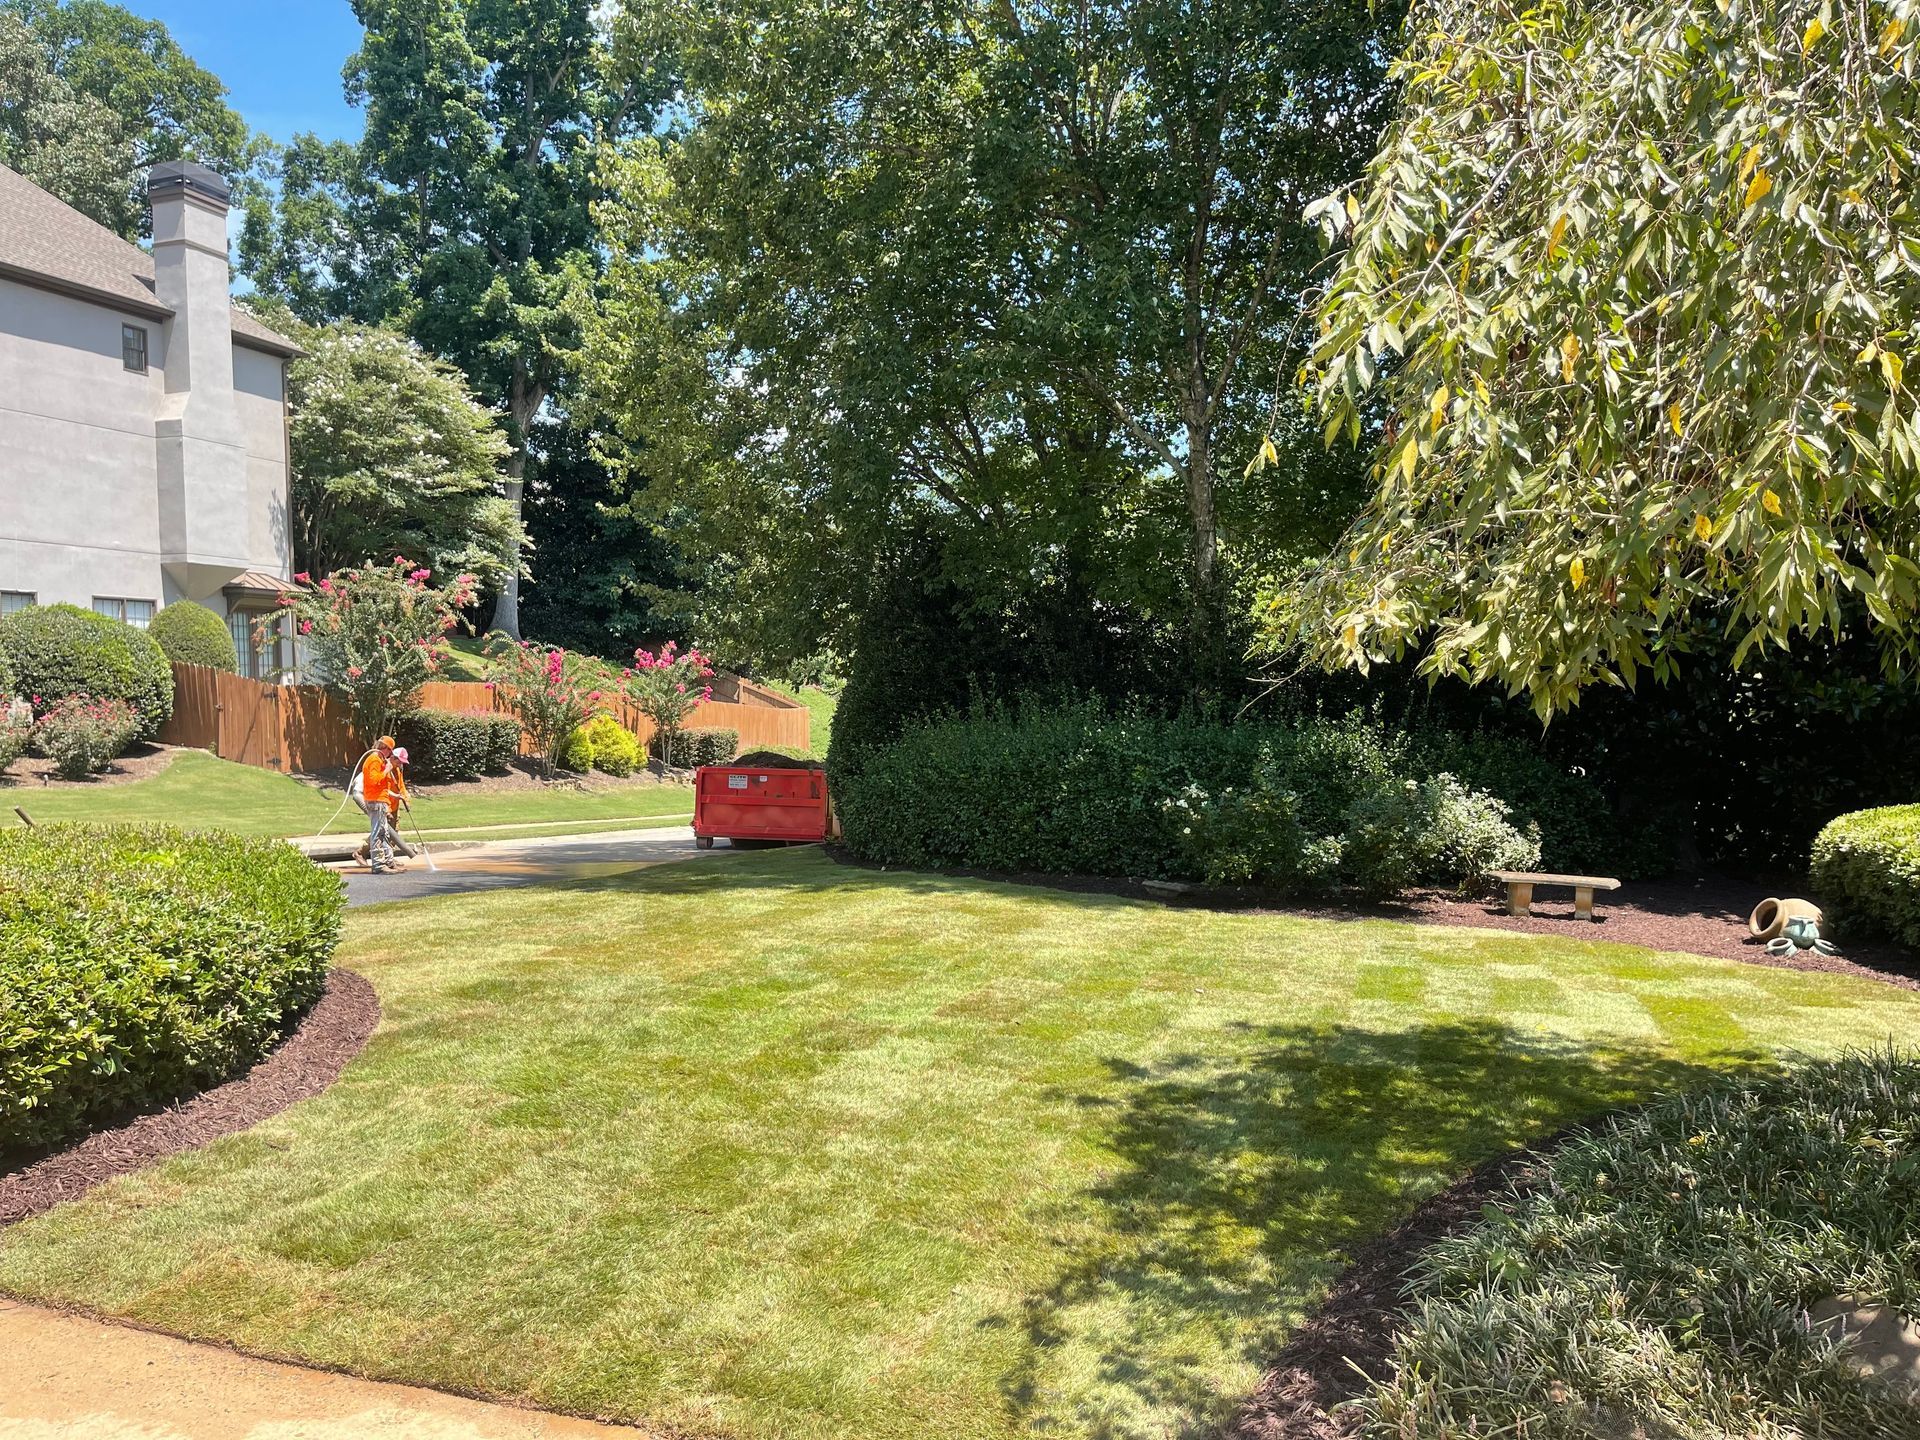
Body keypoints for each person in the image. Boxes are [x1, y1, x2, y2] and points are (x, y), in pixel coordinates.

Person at [358, 736, 406, 873]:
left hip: (380, 800)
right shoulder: (373, 759)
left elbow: (381, 785)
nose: (390, 754)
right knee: (378, 833)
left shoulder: (379, 759)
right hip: (376, 801)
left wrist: (394, 795)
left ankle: (388, 862)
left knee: (384, 832)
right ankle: (378, 865)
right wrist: (387, 769)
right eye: (390, 751)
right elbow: (374, 781)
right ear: (385, 748)